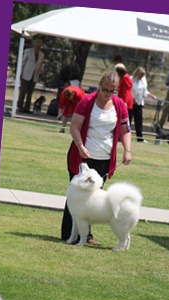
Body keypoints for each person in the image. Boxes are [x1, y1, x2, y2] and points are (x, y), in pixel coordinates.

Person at [61, 70, 132, 244]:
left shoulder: (120, 105)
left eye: (112, 91)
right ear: (99, 86)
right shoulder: (87, 101)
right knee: (76, 195)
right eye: (105, 89)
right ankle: (69, 234)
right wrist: (80, 147)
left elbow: (125, 131)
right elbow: (75, 127)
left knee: (93, 198)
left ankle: (86, 236)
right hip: (82, 155)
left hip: (104, 159)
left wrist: (127, 150)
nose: (108, 94)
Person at [17, 38, 44, 113]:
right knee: (23, 91)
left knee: (30, 93)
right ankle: (20, 106)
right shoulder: (28, 51)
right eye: (36, 46)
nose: (38, 47)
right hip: (26, 74)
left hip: (34, 76)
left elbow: (40, 64)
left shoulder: (41, 55)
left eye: (39, 46)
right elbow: (22, 63)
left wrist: (41, 70)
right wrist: (20, 73)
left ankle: (27, 108)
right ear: (34, 45)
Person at [131, 66, 157, 143]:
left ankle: (140, 138)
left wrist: (151, 95)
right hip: (130, 103)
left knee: (139, 121)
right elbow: (128, 91)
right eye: (140, 75)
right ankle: (122, 137)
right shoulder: (130, 79)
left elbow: (144, 91)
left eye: (143, 76)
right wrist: (132, 99)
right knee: (127, 121)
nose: (141, 77)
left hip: (139, 103)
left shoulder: (143, 80)